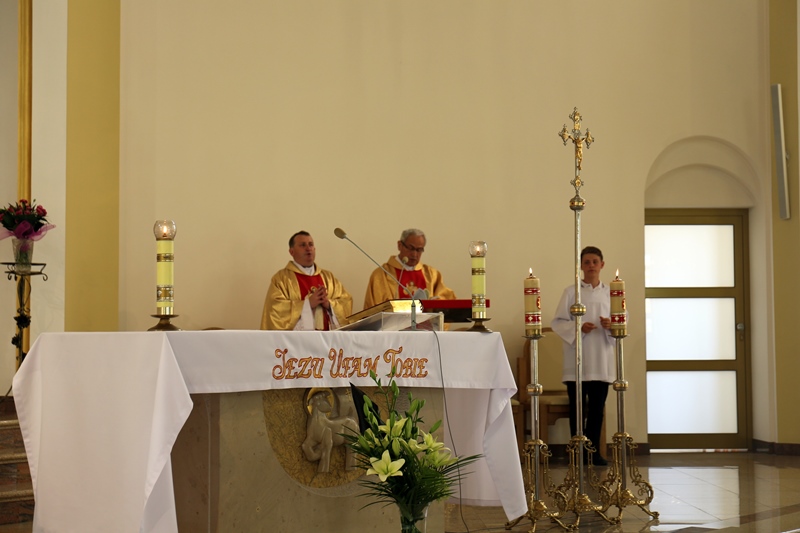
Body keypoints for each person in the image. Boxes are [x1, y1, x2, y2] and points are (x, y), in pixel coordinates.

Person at [550, 246, 615, 466]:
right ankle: (577, 451)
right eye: (587, 262)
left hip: (601, 359)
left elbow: (622, 319)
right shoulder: (571, 292)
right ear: (581, 266)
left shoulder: (611, 293)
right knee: (577, 409)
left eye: (595, 261)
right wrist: (578, 327)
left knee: (597, 410)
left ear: (602, 265)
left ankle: (594, 452)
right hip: (577, 360)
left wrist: (611, 324)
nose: (591, 266)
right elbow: (558, 322)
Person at [261, 231, 353, 330]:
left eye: (311, 244)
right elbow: (275, 310)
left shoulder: (329, 278)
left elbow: (346, 302)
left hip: (327, 337)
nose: (308, 248)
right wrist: (307, 304)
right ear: (291, 252)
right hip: (298, 339)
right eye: (302, 245)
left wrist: (329, 304)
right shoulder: (281, 279)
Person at [363, 228, 456, 309]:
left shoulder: (432, 275)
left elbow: (447, 303)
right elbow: (373, 311)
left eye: (419, 250)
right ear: (400, 245)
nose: (414, 254)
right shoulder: (381, 275)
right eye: (411, 248)